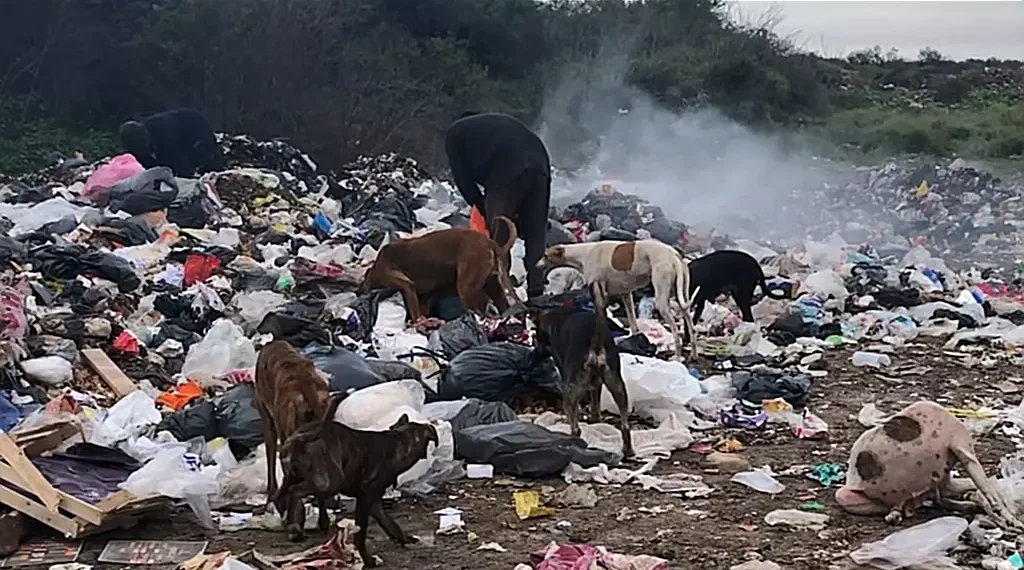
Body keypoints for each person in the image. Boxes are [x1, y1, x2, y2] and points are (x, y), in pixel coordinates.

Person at [445, 112, 551, 298]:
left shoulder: (455, 133)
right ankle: (537, 291)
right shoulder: (491, 126)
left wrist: (482, 207)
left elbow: (463, 180)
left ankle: (503, 291)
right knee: (535, 230)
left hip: (507, 166)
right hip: (540, 163)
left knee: (500, 236)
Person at [118, 108, 223, 178]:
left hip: (195, 133)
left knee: (191, 167)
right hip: (179, 132)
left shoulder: (163, 134)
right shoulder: (137, 139)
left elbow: (177, 163)